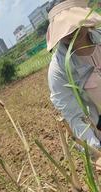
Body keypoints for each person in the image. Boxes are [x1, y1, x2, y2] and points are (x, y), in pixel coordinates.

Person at [47, 0, 101, 166]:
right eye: (63, 29)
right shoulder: (59, 69)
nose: (70, 32)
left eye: (72, 24)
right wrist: (97, 151)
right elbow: (75, 117)